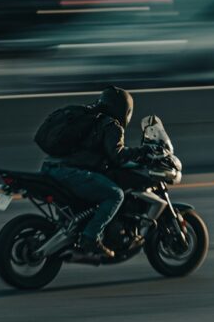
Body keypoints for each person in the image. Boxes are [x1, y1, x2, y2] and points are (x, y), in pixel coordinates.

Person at [41, 86, 141, 259]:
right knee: (115, 195)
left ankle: (73, 231)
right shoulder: (111, 124)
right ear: (124, 108)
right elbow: (117, 155)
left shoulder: (90, 118)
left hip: (50, 167)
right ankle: (91, 237)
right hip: (69, 172)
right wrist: (142, 152)